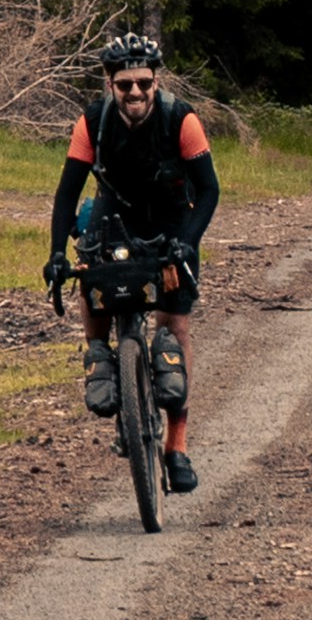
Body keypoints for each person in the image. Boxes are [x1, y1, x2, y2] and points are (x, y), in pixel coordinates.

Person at [44, 33, 217, 494]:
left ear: (156, 80)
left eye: (143, 82)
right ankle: (100, 357)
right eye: (125, 85)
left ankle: (176, 448)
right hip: (115, 211)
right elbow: (66, 193)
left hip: (171, 216)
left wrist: (186, 242)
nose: (135, 93)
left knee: (174, 329)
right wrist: (57, 253)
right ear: (110, 84)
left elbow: (209, 190)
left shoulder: (182, 119)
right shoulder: (92, 121)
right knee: (90, 274)